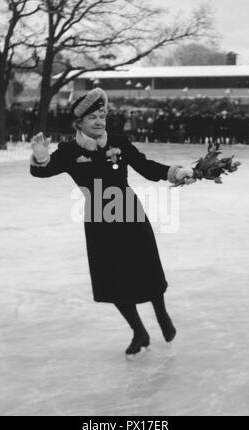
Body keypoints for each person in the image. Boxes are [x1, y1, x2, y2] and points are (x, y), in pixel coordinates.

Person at [29, 88, 196, 361]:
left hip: (130, 215)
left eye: (102, 116)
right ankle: (139, 331)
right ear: (79, 123)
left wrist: (176, 172)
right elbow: (43, 171)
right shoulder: (70, 151)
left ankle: (161, 313)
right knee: (113, 280)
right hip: (99, 222)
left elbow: (146, 166)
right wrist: (41, 156)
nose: (98, 121)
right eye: (92, 117)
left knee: (147, 269)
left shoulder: (119, 141)